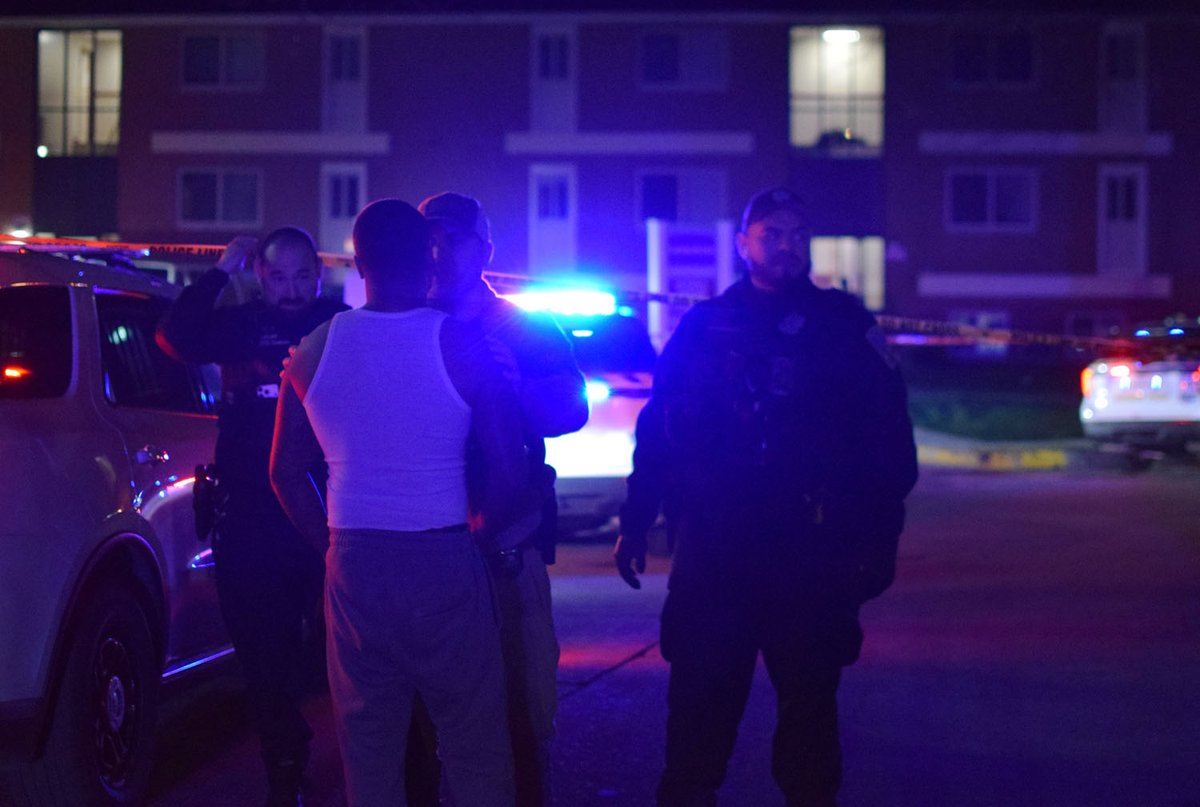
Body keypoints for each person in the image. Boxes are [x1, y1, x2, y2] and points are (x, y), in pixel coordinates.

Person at [614, 187, 919, 807]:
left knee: (809, 729)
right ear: (743, 242)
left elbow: (889, 440)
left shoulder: (843, 325)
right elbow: (660, 426)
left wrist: (878, 541)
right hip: (716, 558)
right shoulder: (705, 326)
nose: (787, 245)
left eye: (798, 233)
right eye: (773, 233)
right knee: (697, 724)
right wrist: (637, 514)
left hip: (810, 556)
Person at [269, 198, 528, 807]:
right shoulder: (461, 344)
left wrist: (333, 545)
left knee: (369, 750)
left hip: (355, 564)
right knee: (474, 748)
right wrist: (480, 540)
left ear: (358, 263)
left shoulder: (313, 349)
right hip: (442, 556)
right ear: (428, 256)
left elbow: (283, 471)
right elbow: (510, 470)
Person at [407, 191, 588, 806]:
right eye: (428, 237)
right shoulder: (400, 327)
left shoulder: (524, 325)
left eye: (453, 238)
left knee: (521, 719)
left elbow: (572, 409)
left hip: (508, 551)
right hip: (421, 552)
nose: (438, 250)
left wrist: (519, 388)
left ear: (484, 250)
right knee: (419, 730)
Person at [157, 227, 346, 807]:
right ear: (261, 276)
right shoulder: (240, 325)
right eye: (278, 277)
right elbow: (174, 336)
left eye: (301, 276)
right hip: (251, 516)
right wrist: (219, 270)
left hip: (326, 512)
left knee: (340, 652)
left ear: (318, 272)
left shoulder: (341, 326)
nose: (291, 290)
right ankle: (283, 768)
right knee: (260, 656)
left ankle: (369, 765)